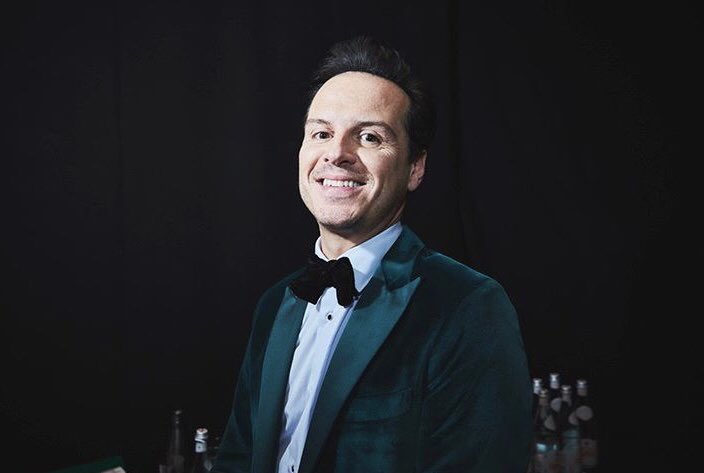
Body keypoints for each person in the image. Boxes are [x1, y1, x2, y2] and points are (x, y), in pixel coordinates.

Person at [212, 36, 532, 473]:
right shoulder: (275, 306)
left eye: (368, 137)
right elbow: (237, 460)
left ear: (415, 167)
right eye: (322, 133)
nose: (337, 153)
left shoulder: (468, 306)